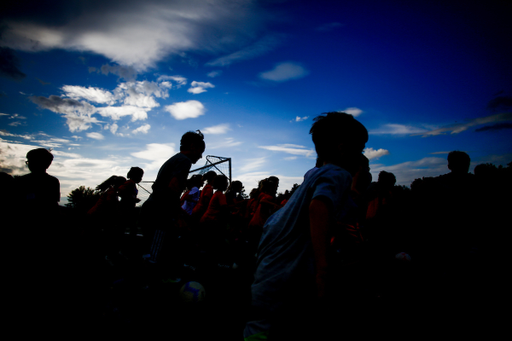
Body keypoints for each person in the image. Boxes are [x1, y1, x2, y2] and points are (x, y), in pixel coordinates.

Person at [243, 112, 368, 340]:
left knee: (260, 328)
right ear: (342, 149)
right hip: (290, 276)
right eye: (360, 149)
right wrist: (323, 271)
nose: (361, 156)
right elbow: (319, 207)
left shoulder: (313, 174)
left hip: (269, 270)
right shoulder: (339, 173)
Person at [141, 130, 205, 266]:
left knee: (157, 247)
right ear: (193, 146)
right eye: (200, 151)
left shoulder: (176, 159)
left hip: (155, 207)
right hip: (160, 210)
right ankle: (147, 282)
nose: (200, 156)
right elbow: (173, 187)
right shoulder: (184, 160)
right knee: (155, 253)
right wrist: (177, 215)